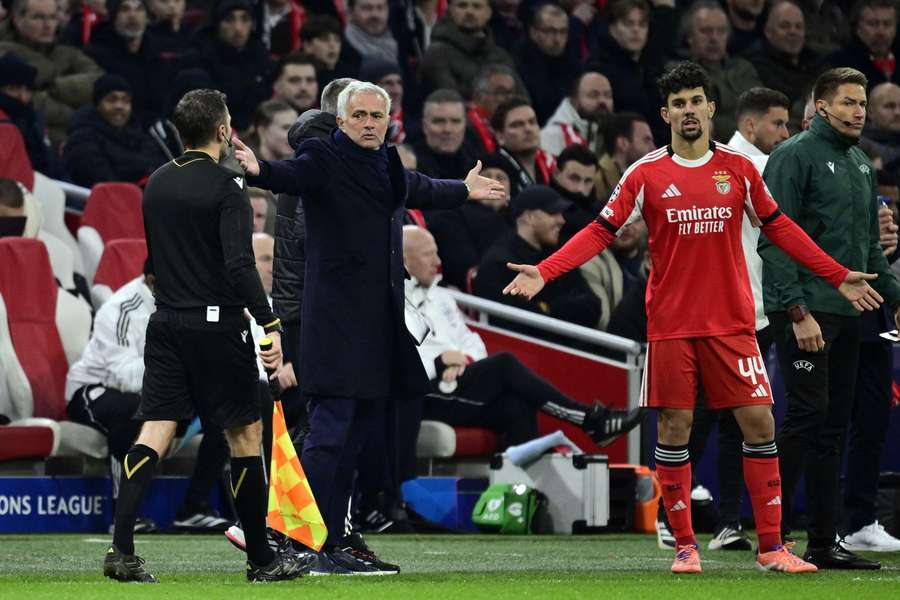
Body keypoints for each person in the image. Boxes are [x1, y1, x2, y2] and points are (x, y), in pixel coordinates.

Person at [502, 61, 884, 575]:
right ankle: (685, 545)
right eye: (677, 104)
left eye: (695, 101)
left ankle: (772, 546)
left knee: (760, 422)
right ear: (666, 113)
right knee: (676, 430)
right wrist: (546, 272)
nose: (687, 110)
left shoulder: (742, 170)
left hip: (732, 322)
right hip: (672, 327)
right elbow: (599, 230)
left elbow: (780, 229)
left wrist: (836, 274)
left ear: (710, 107)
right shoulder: (645, 173)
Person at [233, 80, 505, 574]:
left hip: (376, 321)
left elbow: (417, 188)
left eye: (375, 116)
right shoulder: (324, 156)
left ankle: (333, 541)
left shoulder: (386, 160)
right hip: (335, 323)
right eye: (358, 116)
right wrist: (261, 170)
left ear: (387, 121)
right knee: (331, 432)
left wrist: (464, 190)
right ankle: (294, 538)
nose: (367, 124)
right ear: (340, 121)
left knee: (357, 436)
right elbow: (292, 175)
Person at [102, 88, 308, 583]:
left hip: (167, 321)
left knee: (155, 429)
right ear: (222, 131)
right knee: (244, 434)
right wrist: (270, 320)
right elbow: (239, 265)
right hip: (217, 325)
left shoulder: (155, 184)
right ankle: (261, 558)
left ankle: (121, 550)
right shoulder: (226, 186)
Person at [759, 66, 900, 570]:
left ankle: (823, 542)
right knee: (804, 418)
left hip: (848, 311)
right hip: (804, 309)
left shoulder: (861, 164)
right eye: (847, 102)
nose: (858, 111)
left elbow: (870, 249)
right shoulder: (792, 156)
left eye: (862, 103)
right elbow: (774, 237)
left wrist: (895, 295)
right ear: (820, 107)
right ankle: (771, 538)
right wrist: (796, 310)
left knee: (833, 426)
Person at [403, 225, 643, 445]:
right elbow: (396, 358)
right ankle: (589, 419)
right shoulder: (393, 301)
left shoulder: (442, 297)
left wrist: (464, 359)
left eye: (436, 253)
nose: (437, 261)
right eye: (428, 255)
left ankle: (524, 489)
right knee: (504, 364)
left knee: (516, 406)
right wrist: (440, 361)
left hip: (458, 379)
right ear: (404, 261)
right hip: (421, 393)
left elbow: (472, 341)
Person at [65, 269, 233, 536]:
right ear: (153, 280)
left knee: (227, 411)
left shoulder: (186, 304)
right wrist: (180, 369)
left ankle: (194, 508)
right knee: (131, 409)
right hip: (94, 390)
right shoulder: (120, 307)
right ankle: (125, 513)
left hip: (161, 390)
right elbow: (123, 374)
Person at [474, 184, 601, 337]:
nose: (562, 220)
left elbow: (593, 306)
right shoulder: (499, 263)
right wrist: (564, 309)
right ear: (529, 217)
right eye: (553, 213)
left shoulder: (558, 256)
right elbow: (523, 325)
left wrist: (548, 309)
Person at [0, 0, 102, 145]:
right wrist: (74, 114)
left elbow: (100, 81)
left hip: (77, 141)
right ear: (18, 19)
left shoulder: (66, 51)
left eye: (53, 17)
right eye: (39, 17)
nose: (48, 25)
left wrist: (56, 88)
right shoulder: (3, 54)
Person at [63, 74, 169, 187]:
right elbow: (101, 180)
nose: (119, 106)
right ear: (98, 105)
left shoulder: (140, 134)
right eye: (111, 100)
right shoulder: (82, 138)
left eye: (125, 100)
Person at [679, 0, 762, 142]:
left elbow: (764, 110)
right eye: (706, 31)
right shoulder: (682, 74)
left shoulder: (743, 68)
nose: (714, 38)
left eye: (721, 31)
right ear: (690, 37)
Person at [419, 0, 514, 99]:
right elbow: (451, 102)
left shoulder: (501, 56)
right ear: (450, 10)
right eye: (462, 6)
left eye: (477, 6)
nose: (469, 11)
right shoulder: (437, 53)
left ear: (489, 13)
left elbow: (521, 98)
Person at [512, 3, 579, 125]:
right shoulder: (519, 63)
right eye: (550, 31)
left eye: (563, 32)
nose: (557, 39)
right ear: (533, 32)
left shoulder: (573, 60)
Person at [540, 71, 614, 158]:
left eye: (607, 95)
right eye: (593, 95)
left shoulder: (615, 135)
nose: (602, 101)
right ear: (574, 99)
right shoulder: (550, 137)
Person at [491, 97, 554, 195]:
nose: (528, 129)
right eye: (517, 125)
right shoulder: (493, 168)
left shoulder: (549, 166)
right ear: (500, 136)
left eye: (532, 122)